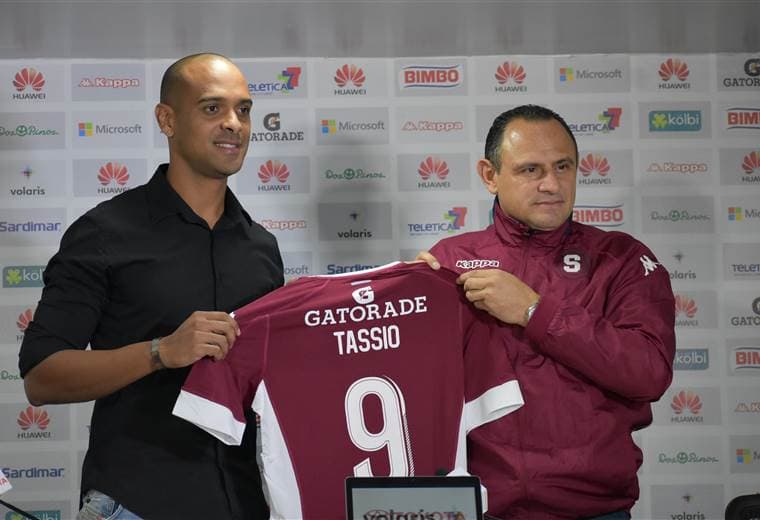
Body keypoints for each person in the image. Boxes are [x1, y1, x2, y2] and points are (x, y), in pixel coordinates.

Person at [19, 53, 283, 520]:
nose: (233, 123)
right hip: (134, 504)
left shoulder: (261, 247)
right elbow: (41, 377)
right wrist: (160, 352)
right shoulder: (104, 233)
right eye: (212, 108)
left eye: (243, 110)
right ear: (167, 120)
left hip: (242, 502)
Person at [417, 104, 676, 519]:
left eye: (563, 166)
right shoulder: (448, 261)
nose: (552, 184)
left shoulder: (621, 258)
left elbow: (648, 372)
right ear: (490, 175)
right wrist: (409, 301)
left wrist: (534, 310)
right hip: (479, 507)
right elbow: (414, 386)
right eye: (530, 170)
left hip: (592, 511)